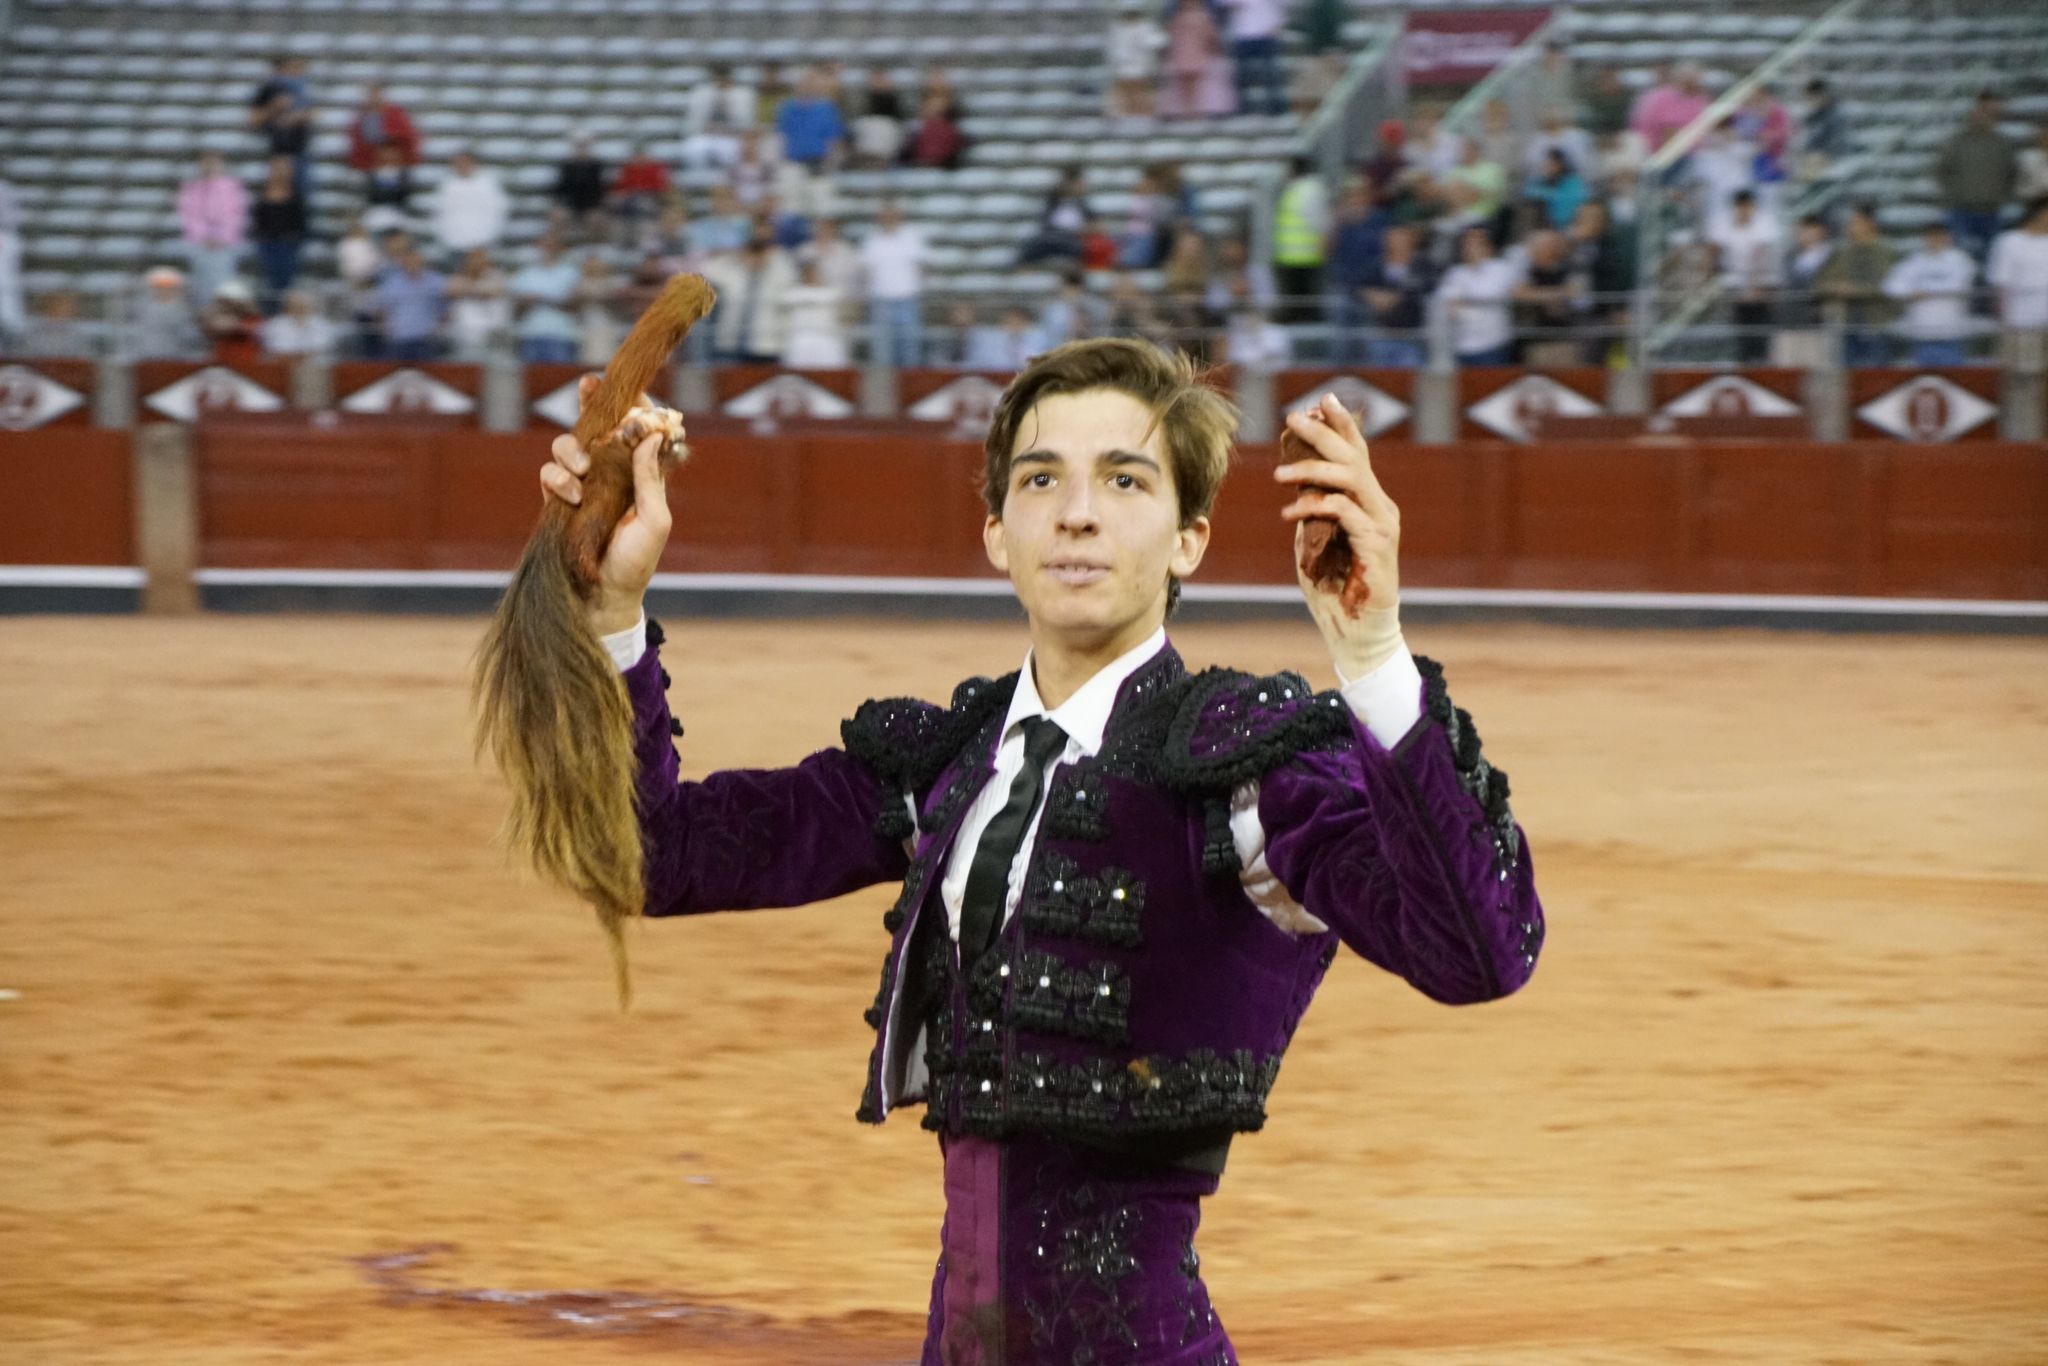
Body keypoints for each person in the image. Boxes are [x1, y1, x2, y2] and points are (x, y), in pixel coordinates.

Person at [532, 338, 1544, 1362]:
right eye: (1039, 477)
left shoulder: (1241, 768)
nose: (1076, 511)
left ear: (1189, 538)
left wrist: (1371, 656)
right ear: (994, 532)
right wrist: (613, 612)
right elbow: (650, 855)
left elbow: (1476, 953)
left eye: (1124, 478)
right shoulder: (946, 765)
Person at [1936, 91, 2018, 261]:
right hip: (1961, 208)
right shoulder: (1957, 142)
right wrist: (1954, 193)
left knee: (1993, 255)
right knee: (1960, 254)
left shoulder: (2002, 143)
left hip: (1991, 209)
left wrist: (2001, 195)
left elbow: (2012, 172)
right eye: (1976, 116)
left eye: (1984, 116)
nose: (1980, 120)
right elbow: (1942, 170)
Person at [701, 219, 797, 364]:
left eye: (761, 251)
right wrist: (734, 256)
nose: (756, 257)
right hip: (731, 342)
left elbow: (787, 293)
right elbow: (706, 271)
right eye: (752, 251)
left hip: (766, 344)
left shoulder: (780, 269)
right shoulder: (732, 271)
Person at [1883, 222, 1978, 367]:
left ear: (1947, 238)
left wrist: (1921, 291)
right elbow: (1891, 286)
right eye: (1932, 236)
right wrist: (1911, 292)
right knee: (1923, 379)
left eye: (1939, 236)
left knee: (1954, 376)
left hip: (1951, 330)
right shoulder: (1915, 261)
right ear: (1925, 238)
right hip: (1922, 331)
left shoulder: (1960, 260)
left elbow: (1958, 286)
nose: (1935, 240)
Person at [1813, 203, 1896, 368]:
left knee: (1876, 375)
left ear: (1870, 224)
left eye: (1856, 222)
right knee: (1850, 378)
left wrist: (1851, 290)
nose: (1851, 226)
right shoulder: (1842, 252)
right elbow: (1819, 283)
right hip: (1847, 324)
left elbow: (1886, 287)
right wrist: (1833, 288)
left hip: (1875, 323)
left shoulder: (1885, 252)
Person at [1708, 189, 1782, 364]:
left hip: (1762, 285)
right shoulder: (1726, 223)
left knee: (1760, 329)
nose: (1744, 211)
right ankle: (1744, 361)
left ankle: (1761, 361)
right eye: (1740, 207)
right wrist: (1713, 271)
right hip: (1738, 286)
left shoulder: (1765, 222)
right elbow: (1713, 248)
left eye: (1747, 207)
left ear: (1752, 207)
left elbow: (1762, 255)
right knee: (1741, 331)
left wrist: (1754, 286)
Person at [1433, 224, 1520, 366]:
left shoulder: (1501, 269)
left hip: (1493, 343)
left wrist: (1466, 302)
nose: (1469, 247)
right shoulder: (1455, 273)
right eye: (1466, 243)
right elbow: (1449, 305)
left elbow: (1497, 293)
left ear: (1488, 246)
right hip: (1462, 345)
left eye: (1475, 243)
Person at [176, 151, 249, 316]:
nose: (209, 167)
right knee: (201, 285)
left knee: (223, 282)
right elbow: (188, 215)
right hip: (200, 243)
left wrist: (222, 237)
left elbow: (237, 215)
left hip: (225, 244)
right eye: (206, 163)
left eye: (213, 163)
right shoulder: (192, 188)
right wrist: (204, 236)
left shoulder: (231, 186)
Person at [859, 200, 927, 368]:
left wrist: (919, 289)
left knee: (910, 348)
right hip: (881, 300)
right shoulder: (873, 240)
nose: (889, 219)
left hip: (907, 298)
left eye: (893, 216)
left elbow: (921, 266)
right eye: (886, 216)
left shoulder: (911, 237)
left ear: (899, 217)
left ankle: (910, 387)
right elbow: (866, 271)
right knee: (882, 351)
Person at [775, 67, 846, 218]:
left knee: (822, 207)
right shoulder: (787, 108)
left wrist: (831, 164)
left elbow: (833, 140)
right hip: (793, 162)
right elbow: (782, 138)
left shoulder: (826, 109)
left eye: (811, 84)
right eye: (804, 83)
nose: (807, 87)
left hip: (818, 163)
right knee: (790, 207)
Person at [1360, 222, 1433, 367]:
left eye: (1400, 237)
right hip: (1382, 333)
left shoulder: (1422, 264)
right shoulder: (1376, 264)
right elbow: (1358, 285)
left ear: (1410, 239)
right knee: (1380, 382)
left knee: (1408, 378)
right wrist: (1371, 295)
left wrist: (1396, 297)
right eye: (1392, 238)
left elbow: (1427, 286)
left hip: (1412, 334)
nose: (1396, 242)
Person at [1271, 156, 1329, 326]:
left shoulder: (1308, 191)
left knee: (1303, 303)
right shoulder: (1301, 189)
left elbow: (1320, 222)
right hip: (1294, 254)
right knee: (1298, 302)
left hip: (1303, 255)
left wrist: (1322, 244)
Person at [510, 232, 584, 364]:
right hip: (532, 332)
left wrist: (542, 299)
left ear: (560, 248)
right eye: (545, 245)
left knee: (560, 377)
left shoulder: (571, 272)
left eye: (552, 245)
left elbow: (575, 301)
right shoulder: (526, 273)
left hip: (561, 333)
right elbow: (517, 304)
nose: (548, 249)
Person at [249, 154, 309, 310]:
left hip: (287, 244)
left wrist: (293, 237)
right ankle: (269, 311)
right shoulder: (263, 194)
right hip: (267, 243)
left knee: (285, 282)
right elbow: (258, 219)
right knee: (268, 280)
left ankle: (285, 311)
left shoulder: (296, 196)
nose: (280, 172)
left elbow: (301, 222)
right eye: (276, 169)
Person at [373, 236, 447, 361]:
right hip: (398, 340)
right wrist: (387, 329)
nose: (413, 263)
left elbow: (446, 304)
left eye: (416, 259)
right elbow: (381, 309)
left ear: (421, 260)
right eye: (409, 260)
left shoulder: (434, 281)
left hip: (425, 340)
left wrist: (437, 325)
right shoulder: (391, 283)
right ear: (403, 261)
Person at [1987, 195, 2048, 343]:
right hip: (2020, 320)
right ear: (2040, 214)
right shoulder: (2009, 241)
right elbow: (2000, 282)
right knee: (2025, 365)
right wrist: (2004, 321)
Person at [430, 150, 510, 261]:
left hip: (483, 243)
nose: (462, 166)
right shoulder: (446, 185)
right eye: (458, 163)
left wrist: (487, 237)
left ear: (474, 163)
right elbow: (439, 213)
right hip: (454, 243)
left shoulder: (488, 184)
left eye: (465, 162)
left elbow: (499, 211)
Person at [1159, 0, 1231, 120]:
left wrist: (1214, 48)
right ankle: (1185, 110)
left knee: (1197, 82)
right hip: (1182, 52)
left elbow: (1211, 36)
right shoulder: (1177, 17)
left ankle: (1196, 110)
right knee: (1185, 82)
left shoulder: (1203, 17)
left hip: (1197, 51)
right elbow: (1171, 35)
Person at [780, 257, 851, 369]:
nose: (811, 276)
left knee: (831, 372)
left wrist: (808, 300)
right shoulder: (794, 292)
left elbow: (834, 296)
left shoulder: (832, 291)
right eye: (808, 273)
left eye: (814, 273)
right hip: (800, 338)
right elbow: (786, 298)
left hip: (826, 337)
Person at [1221, 0, 1285, 118]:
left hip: (1266, 32)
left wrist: (1278, 23)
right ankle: (1241, 106)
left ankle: (1275, 105)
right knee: (1241, 73)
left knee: (1270, 72)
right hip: (1243, 34)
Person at [445, 247, 512, 358]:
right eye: (473, 259)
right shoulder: (459, 277)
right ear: (467, 261)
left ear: (486, 261)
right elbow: (452, 291)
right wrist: (479, 290)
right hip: (464, 332)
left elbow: (498, 291)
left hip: (490, 331)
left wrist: (470, 290)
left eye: (480, 258)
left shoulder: (495, 276)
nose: (476, 262)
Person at [345, 82, 420, 181]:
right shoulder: (362, 117)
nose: (373, 98)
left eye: (375, 94)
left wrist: (390, 148)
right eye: (370, 95)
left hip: (395, 158)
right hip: (371, 160)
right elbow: (357, 139)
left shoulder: (395, 113)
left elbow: (405, 135)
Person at [1107, 2, 1166, 122]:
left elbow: (1157, 42)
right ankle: (1126, 117)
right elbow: (1114, 49)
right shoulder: (1118, 28)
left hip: (1143, 67)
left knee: (1142, 94)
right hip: (1124, 67)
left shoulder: (1146, 26)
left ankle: (1143, 118)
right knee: (1126, 94)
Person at [132, 266, 205, 359]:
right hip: (147, 355)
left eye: (168, 287)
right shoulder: (144, 309)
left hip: (175, 356)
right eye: (159, 287)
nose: (164, 291)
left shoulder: (182, 310)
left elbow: (188, 334)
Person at [551, 133, 609, 240]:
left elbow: (600, 189)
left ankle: (592, 246)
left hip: (590, 205)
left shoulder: (596, 167)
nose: (581, 150)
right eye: (579, 147)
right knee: (558, 216)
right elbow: (560, 188)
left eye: (584, 147)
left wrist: (598, 206)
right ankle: (560, 244)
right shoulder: (566, 167)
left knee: (596, 219)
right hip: (570, 204)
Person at [262, 287, 339, 358]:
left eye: (303, 305)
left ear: (311, 306)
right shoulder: (275, 325)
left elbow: (324, 346)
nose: (300, 309)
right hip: (284, 364)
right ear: (287, 306)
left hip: (315, 364)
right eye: (295, 305)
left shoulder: (322, 324)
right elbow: (276, 348)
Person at [0, 173, 21, 345]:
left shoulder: (4, 188)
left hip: (3, 235)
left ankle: (11, 328)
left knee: (5, 285)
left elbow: (9, 219)